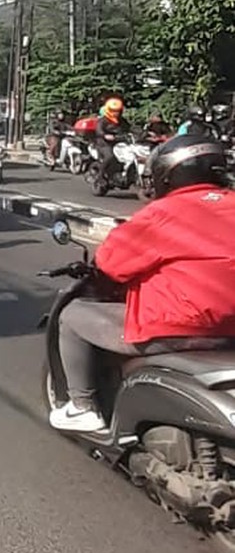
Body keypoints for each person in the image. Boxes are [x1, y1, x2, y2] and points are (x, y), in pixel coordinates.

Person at [50, 133, 235, 432]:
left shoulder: (162, 214)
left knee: (72, 316)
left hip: (175, 330)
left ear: (168, 175)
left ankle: (83, 407)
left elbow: (110, 265)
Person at [94, 95, 130, 188]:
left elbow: (130, 128)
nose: (116, 113)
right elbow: (99, 130)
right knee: (110, 157)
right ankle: (100, 176)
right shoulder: (103, 121)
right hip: (104, 144)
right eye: (113, 111)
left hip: (120, 143)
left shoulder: (122, 121)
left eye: (117, 111)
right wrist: (105, 135)